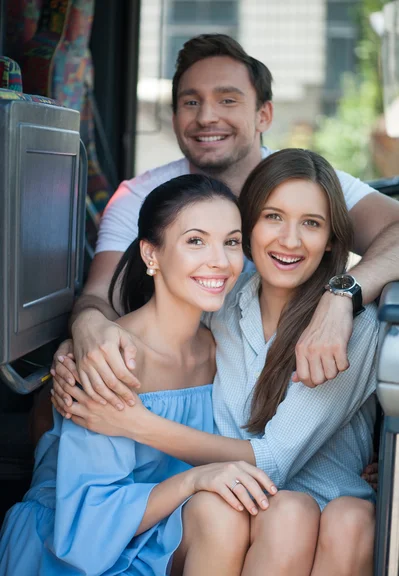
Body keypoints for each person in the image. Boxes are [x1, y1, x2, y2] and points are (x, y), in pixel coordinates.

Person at [53, 149, 378, 576]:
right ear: (251, 232)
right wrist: (83, 331)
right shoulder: (225, 303)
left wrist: (136, 424)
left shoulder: (348, 327)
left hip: (301, 501)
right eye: (273, 217)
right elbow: (164, 312)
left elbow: (274, 462)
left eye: (312, 223)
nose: (290, 239)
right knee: (280, 514)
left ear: (330, 238)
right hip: (252, 507)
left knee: (341, 520)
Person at [52, 33, 399, 408]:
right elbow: (99, 296)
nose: (206, 117)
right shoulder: (137, 196)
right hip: (174, 388)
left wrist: (342, 295)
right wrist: (88, 327)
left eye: (227, 100)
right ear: (174, 117)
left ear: (263, 114)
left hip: (286, 391)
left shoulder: (306, 182)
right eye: (191, 102)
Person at [0, 175, 279, 576]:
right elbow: (86, 526)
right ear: (151, 253)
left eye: (232, 242)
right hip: (77, 547)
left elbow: (269, 449)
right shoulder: (112, 358)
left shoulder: (225, 346)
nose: (220, 261)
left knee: (246, 515)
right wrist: (193, 481)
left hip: (169, 531)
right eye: (196, 241)